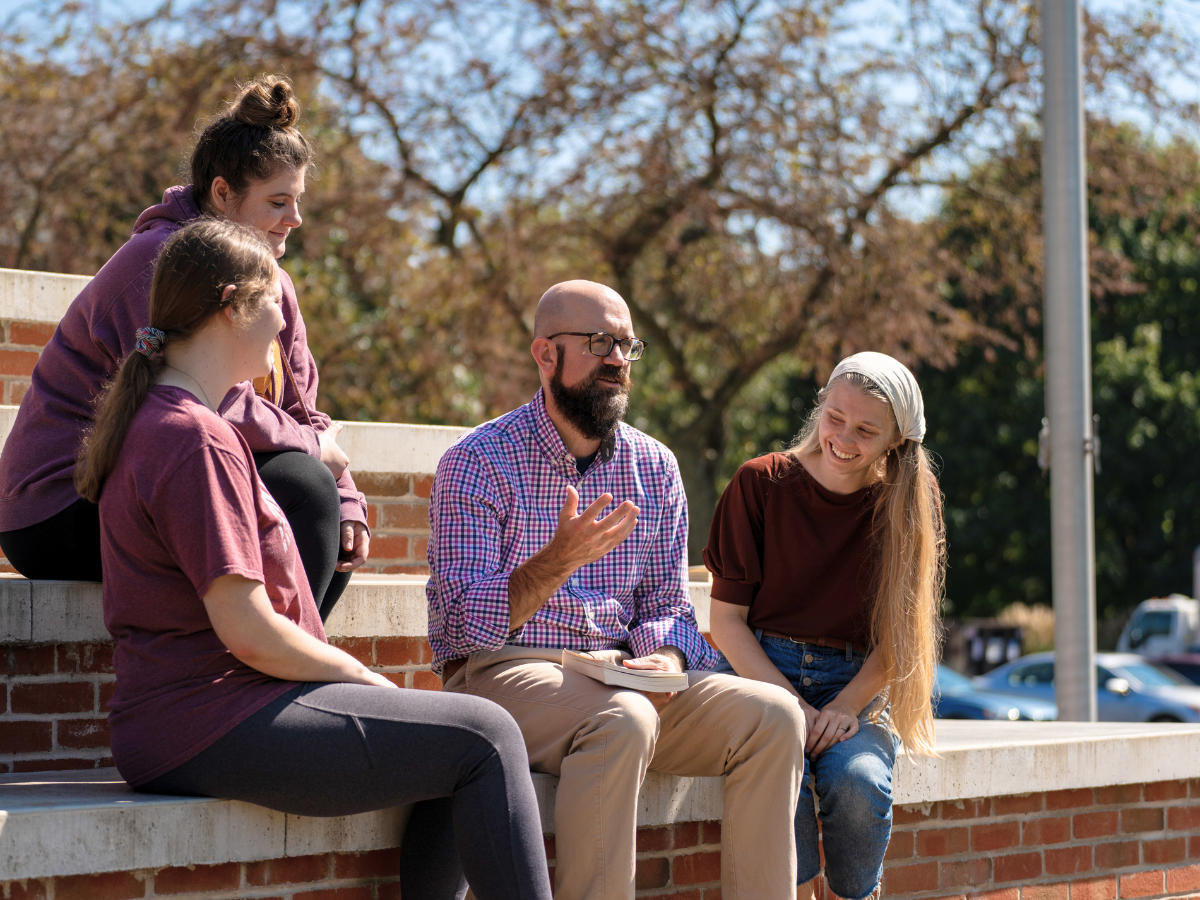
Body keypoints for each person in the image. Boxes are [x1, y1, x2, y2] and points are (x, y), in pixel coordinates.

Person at [76, 219, 552, 900]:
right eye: (276, 302)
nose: (284, 323)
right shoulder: (194, 439)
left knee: (459, 734)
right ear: (233, 306)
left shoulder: (170, 419)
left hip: (192, 716)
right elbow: (247, 630)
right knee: (487, 734)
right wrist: (356, 673)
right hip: (208, 718)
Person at [427, 280, 807, 900]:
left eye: (628, 346)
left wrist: (670, 655)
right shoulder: (478, 459)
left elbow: (668, 606)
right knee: (622, 718)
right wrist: (554, 563)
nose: (619, 360)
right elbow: (461, 627)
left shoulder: (654, 466)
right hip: (505, 672)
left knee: (774, 716)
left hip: (623, 676)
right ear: (545, 354)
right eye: (600, 342)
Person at [0, 75, 365, 620]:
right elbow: (199, 399)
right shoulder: (159, 264)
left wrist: (349, 496)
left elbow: (302, 410)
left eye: (297, 201)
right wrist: (316, 454)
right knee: (303, 486)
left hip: (166, 474)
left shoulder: (277, 285)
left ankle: (271, 660)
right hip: (62, 507)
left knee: (329, 516)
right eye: (277, 201)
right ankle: (265, 667)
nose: (295, 218)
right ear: (222, 193)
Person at [703, 351, 945, 900]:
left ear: (894, 440)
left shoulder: (911, 498)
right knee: (778, 790)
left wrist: (843, 707)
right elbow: (727, 622)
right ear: (820, 407)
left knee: (859, 784)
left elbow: (903, 635)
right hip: (761, 673)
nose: (843, 438)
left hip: (858, 682)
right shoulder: (759, 483)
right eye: (835, 417)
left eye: (866, 430)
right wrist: (793, 707)